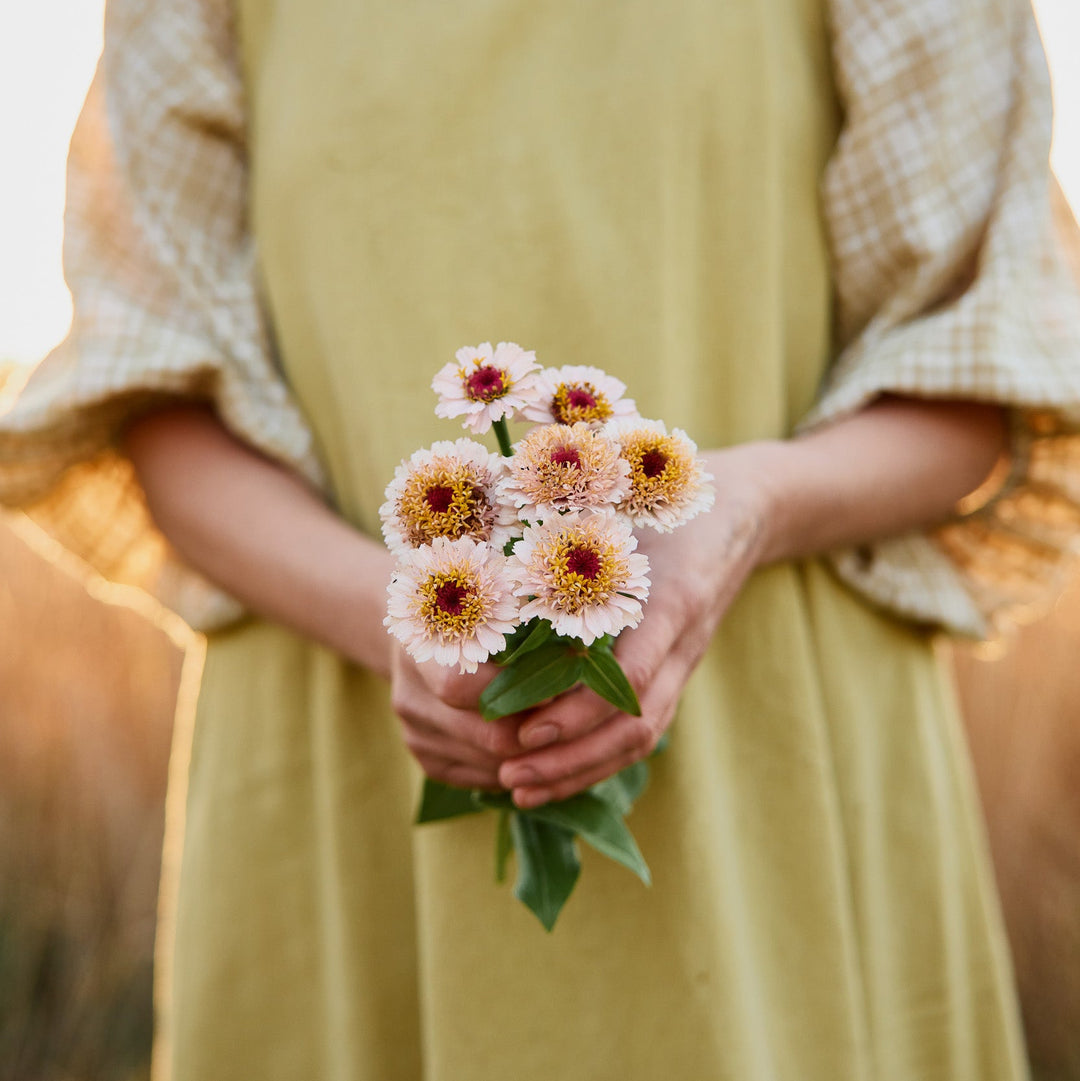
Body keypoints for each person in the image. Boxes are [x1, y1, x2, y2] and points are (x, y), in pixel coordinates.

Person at [3, 0, 1080, 1077]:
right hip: (341, 781)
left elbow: (968, 378)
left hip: (772, 773)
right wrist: (399, 617)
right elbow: (157, 394)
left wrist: (739, 510)